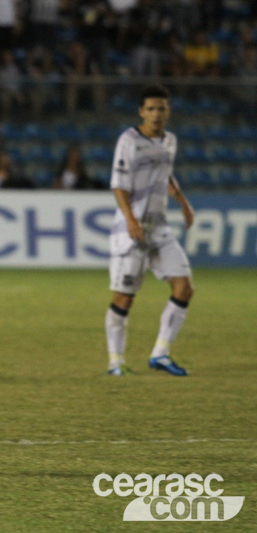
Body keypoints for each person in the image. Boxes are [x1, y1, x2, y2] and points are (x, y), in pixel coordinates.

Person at [105, 84, 195, 377]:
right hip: (131, 230)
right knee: (124, 298)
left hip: (160, 229)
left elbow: (165, 173)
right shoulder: (129, 140)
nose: (157, 114)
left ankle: (161, 353)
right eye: (151, 109)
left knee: (184, 287)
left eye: (162, 108)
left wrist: (182, 201)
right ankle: (116, 361)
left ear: (169, 111)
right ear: (141, 111)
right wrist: (130, 219)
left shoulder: (170, 140)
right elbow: (118, 184)